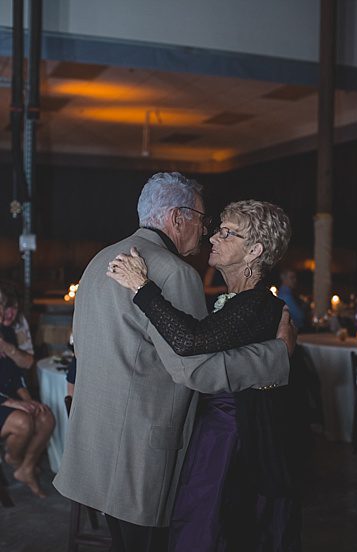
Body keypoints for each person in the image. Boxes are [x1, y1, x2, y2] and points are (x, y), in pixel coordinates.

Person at [54, 172, 295, 551]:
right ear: (178, 218)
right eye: (202, 219)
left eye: (223, 230)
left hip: (95, 445)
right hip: (141, 453)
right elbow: (192, 368)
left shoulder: (101, 259)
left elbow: (82, 351)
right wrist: (276, 356)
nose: (206, 233)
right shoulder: (174, 272)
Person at [107, 200, 305, 550]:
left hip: (233, 440)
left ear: (255, 250)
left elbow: (189, 341)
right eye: (218, 229)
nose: (213, 236)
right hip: (217, 430)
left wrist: (142, 286)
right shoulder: (235, 300)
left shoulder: (258, 303)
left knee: (208, 527)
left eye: (227, 233)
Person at [0, 286, 53, 497]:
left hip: (8, 398)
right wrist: (13, 403)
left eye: (2, 305)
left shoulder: (8, 332)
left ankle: (26, 468)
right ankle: (14, 458)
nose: (4, 312)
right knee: (24, 421)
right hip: (3, 402)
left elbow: (16, 376)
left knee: (45, 416)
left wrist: (31, 401)